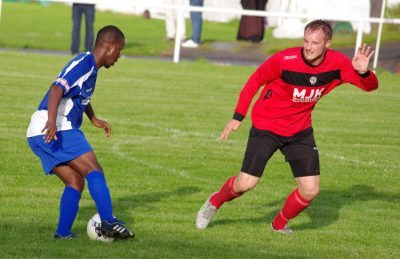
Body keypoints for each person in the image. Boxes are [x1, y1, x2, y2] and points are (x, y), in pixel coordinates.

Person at [195, 20, 378, 233]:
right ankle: (214, 202)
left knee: (310, 190)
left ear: (327, 43)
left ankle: (279, 225)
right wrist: (238, 116)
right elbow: (254, 82)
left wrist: (364, 72)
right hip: (267, 126)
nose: (308, 47)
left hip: (299, 131)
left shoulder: (339, 63)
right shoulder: (284, 59)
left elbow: (370, 87)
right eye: (306, 41)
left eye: (315, 42)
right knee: (245, 184)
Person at [27, 25, 135, 240]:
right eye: (119, 50)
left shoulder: (91, 68)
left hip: (38, 133)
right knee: (95, 170)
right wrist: (52, 122)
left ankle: (63, 233)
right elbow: (56, 88)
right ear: (109, 46)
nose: (119, 56)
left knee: (75, 182)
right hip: (55, 128)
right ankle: (108, 221)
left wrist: (93, 118)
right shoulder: (84, 64)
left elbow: (80, 95)